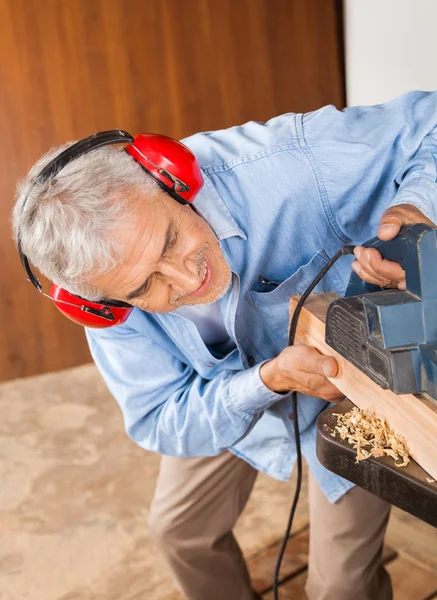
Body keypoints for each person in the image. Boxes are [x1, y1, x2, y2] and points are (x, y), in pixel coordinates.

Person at [12, 91, 437, 600]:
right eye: (145, 287)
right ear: (100, 301)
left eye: (170, 240)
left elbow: (430, 124)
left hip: (352, 381)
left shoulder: (288, 161)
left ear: (172, 182)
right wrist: (266, 381)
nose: (186, 280)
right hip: (226, 388)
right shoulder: (104, 292)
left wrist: (416, 207)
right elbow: (159, 415)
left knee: (340, 586)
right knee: (179, 531)